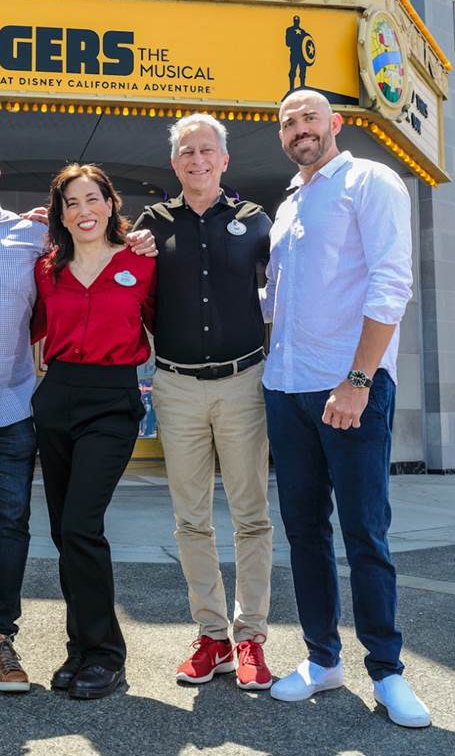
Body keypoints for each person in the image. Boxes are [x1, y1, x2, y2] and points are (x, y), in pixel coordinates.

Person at [0, 131, 158, 695]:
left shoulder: (36, 240)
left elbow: (150, 311)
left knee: (22, 524)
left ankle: (2, 638)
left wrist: (139, 240)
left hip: (13, 408)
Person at [262, 89, 431, 728]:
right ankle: (321, 659)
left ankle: (386, 671)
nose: (299, 129)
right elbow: (275, 302)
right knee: (305, 533)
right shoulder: (288, 204)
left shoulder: (372, 180)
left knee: (364, 532)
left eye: (309, 118)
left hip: (351, 387)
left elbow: (392, 282)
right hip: (287, 389)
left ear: (335, 124)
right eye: (288, 122)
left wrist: (358, 380)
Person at [131, 113, 275, 690]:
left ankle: (252, 638)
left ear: (224, 160)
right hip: (176, 385)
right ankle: (212, 635)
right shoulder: (150, 224)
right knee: (190, 519)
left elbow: (293, 285)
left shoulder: (255, 221)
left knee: (251, 518)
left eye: (206, 151)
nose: (197, 160)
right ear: (175, 163)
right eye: (187, 152)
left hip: (243, 384)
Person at [30, 164, 156, 700]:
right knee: (64, 531)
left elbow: (166, 322)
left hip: (112, 400)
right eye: (71, 203)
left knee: (82, 524)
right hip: (57, 396)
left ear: (110, 203)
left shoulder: (141, 262)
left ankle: (107, 654)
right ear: (60, 214)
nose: (83, 211)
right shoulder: (46, 268)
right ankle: (80, 647)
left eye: (92, 199)